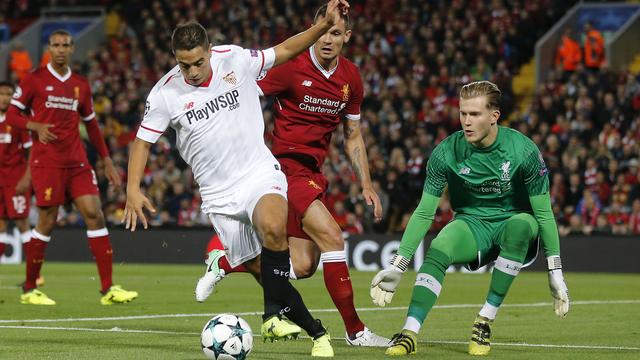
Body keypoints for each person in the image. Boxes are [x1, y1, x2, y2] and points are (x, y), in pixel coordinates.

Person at [124, 1, 349, 356]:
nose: (193, 71)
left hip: (258, 172)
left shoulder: (235, 59)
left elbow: (286, 50)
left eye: (199, 62)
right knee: (264, 271)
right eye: (185, 64)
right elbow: (141, 142)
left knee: (274, 228)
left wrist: (320, 28)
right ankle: (316, 332)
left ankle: (271, 316)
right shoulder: (165, 93)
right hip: (218, 195)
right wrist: (133, 190)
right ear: (175, 58)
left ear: (209, 51)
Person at [196, 4, 389, 347]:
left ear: (347, 36)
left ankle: (224, 260)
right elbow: (241, 92)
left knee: (301, 266)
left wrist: (367, 183)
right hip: (284, 168)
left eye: (335, 32)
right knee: (332, 236)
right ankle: (356, 332)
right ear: (312, 29)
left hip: (313, 172)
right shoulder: (290, 68)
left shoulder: (350, 78)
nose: (327, 39)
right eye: (322, 29)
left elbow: (353, 135)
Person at [369, 81, 570, 356]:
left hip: (515, 220)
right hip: (472, 222)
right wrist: (398, 264)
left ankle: (485, 319)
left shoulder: (523, 152)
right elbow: (425, 211)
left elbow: (544, 214)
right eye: (463, 113)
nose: (466, 121)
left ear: (494, 116)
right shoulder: (445, 153)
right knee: (439, 247)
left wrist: (555, 271)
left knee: (522, 226)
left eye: (474, 114)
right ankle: (409, 332)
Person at [6, 30, 138, 306]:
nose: (61, 50)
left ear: (72, 48)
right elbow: (12, 115)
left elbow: (91, 124)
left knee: (95, 214)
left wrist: (106, 160)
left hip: (77, 161)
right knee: (47, 221)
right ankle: (30, 288)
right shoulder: (34, 80)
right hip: (47, 162)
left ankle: (108, 289)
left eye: (66, 45)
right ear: (49, 48)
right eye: (56, 45)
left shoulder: (80, 84)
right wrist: (35, 125)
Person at [0, 81, 32, 260]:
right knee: (0, 224)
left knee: (22, 222)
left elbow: (32, 150)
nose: (5, 98)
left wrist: (27, 178)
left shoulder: (19, 121)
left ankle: (35, 272)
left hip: (15, 180)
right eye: (1, 94)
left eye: (8, 94)